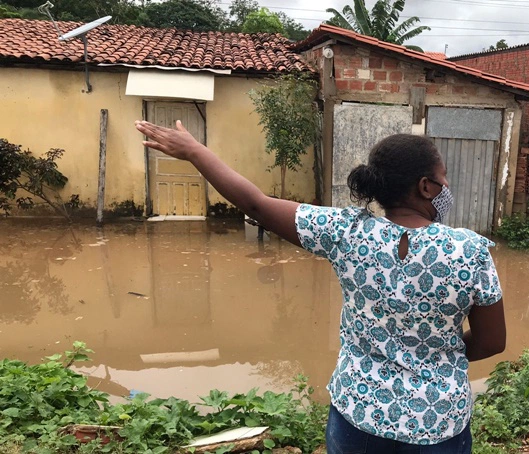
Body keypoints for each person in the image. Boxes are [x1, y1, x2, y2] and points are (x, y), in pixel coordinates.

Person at [133, 122, 506, 453]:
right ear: (426, 187)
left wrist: (195, 152)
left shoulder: (346, 232)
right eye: (443, 177)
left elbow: (257, 205)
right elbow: (491, 342)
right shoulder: (469, 250)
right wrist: (437, 357)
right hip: (437, 424)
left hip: (359, 414)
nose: (447, 185)